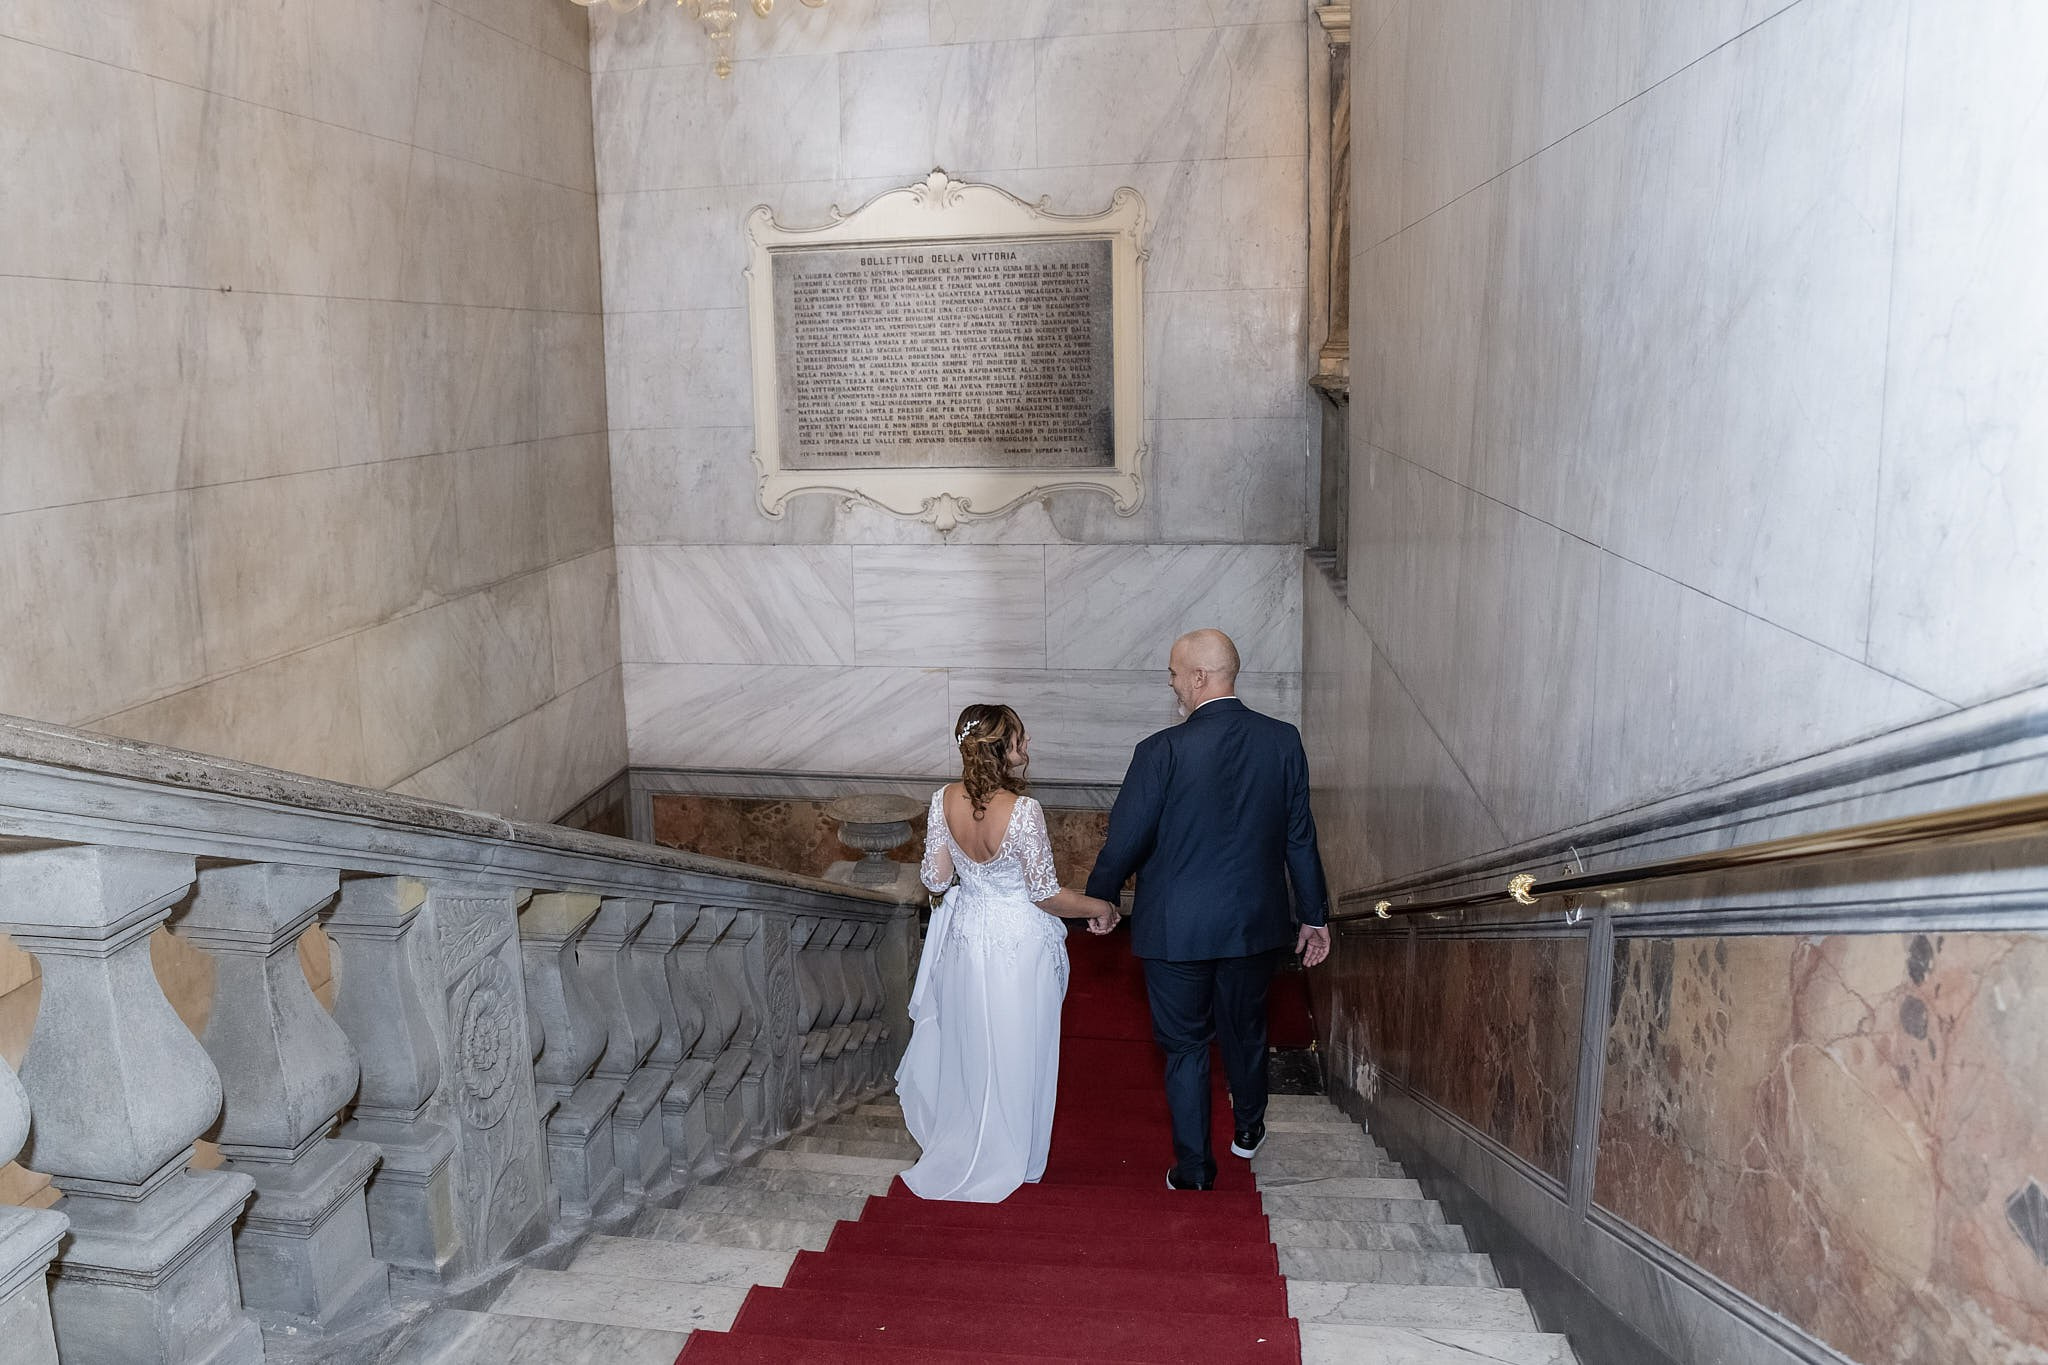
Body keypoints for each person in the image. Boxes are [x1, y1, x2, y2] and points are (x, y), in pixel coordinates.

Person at [1084, 629, 1331, 1191]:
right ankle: (1248, 1129)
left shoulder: (1160, 752)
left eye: (1174, 672)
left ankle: (1194, 1167)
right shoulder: (1282, 741)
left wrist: (1099, 899)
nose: (1171, 683)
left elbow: (1125, 840)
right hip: (1253, 924)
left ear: (1199, 677)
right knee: (1246, 1028)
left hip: (1174, 927)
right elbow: (1299, 837)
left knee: (1184, 1044)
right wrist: (1314, 914)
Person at [895, 703, 1120, 1202]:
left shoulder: (941, 800)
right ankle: (1015, 1155)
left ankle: (967, 1141)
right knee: (1020, 1045)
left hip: (967, 940)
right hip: (1018, 943)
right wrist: (1099, 905)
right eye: (1020, 736)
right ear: (1002, 749)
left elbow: (934, 878)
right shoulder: (1023, 811)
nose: (1028, 742)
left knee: (971, 1043)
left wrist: (964, 874)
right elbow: (1045, 894)